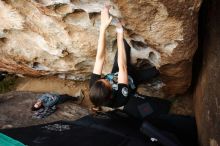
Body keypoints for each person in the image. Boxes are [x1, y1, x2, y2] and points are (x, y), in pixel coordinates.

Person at [89, 5, 159, 109]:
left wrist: (103, 27)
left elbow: (99, 59)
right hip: (132, 79)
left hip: (117, 70)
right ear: (111, 91)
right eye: (107, 81)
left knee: (125, 43)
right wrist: (119, 33)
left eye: (103, 79)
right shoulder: (120, 98)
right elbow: (123, 67)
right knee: (157, 69)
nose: (106, 79)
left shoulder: (94, 87)